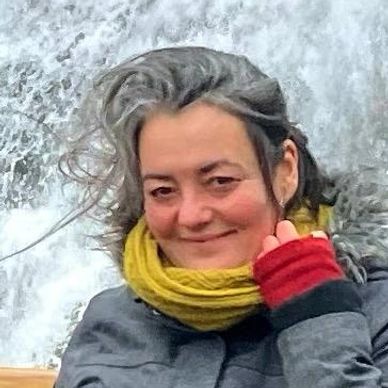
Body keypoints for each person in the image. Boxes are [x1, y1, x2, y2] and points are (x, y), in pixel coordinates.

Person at [54, 46, 388, 387]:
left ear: (286, 170)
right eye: (163, 191)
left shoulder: (376, 312)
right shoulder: (109, 324)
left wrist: (318, 323)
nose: (192, 215)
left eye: (220, 182)